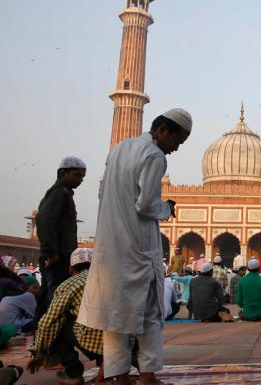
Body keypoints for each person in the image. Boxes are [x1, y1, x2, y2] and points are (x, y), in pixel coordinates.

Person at [78, 108, 192, 384]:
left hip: (111, 247)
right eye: (177, 141)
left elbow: (104, 192)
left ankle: (118, 376)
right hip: (138, 247)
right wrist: (168, 208)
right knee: (151, 314)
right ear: (163, 130)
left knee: (116, 315)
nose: (176, 149)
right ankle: (148, 376)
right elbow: (147, 205)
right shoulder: (154, 155)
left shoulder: (119, 149)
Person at [27, 248, 104, 385]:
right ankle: (108, 362)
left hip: (95, 343)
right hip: (123, 344)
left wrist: (38, 351)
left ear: (70, 268)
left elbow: (47, 323)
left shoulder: (69, 284)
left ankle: (73, 373)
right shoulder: (112, 279)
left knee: (56, 322)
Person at [35, 156, 86, 323]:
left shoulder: (64, 193)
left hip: (62, 255)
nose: (81, 180)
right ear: (64, 173)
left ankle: (46, 339)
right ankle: (52, 343)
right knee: (55, 299)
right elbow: (43, 219)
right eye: (77, 175)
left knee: (52, 297)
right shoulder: (59, 193)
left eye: (83, 176)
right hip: (57, 257)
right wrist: (51, 253)